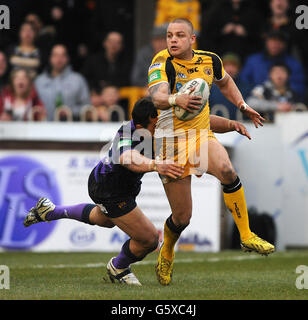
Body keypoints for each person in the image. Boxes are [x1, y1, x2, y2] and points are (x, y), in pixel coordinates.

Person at [23, 97, 251, 286]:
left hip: (119, 188)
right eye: (152, 127)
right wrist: (156, 165)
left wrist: (231, 124)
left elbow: (200, 121)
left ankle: (50, 211)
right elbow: (127, 158)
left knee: (105, 220)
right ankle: (118, 267)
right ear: (142, 126)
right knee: (149, 240)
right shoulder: (127, 133)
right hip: (110, 189)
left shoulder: (160, 120)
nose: (157, 129)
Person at [148, 18, 275, 286]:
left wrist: (241, 104)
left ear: (192, 39)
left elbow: (226, 82)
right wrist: (175, 98)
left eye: (179, 35)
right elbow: (156, 97)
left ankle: (246, 234)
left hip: (200, 134)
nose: (172, 40)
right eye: (170, 35)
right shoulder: (162, 62)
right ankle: (168, 249)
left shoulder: (210, 60)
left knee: (227, 170)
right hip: (169, 143)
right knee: (182, 217)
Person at [240, 30, 306, 100]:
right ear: (266, 42)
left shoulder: (293, 63)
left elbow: (299, 87)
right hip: (257, 102)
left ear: (285, 44)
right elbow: (244, 83)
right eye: (272, 40)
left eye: (279, 41)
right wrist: (260, 93)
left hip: (285, 103)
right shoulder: (253, 60)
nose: (275, 44)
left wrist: (282, 94)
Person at [35, 44, 90, 121]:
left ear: (67, 58)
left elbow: (87, 107)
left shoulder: (78, 80)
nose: (59, 59)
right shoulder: (39, 81)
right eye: (55, 55)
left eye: (62, 55)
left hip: (72, 128)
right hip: (44, 128)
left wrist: (71, 111)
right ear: (50, 58)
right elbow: (32, 105)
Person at [209, 52, 253, 120]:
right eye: (227, 65)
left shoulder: (247, 88)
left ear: (239, 69)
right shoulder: (211, 88)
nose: (230, 69)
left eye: (234, 66)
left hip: (242, 128)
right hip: (216, 129)